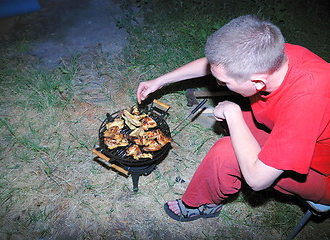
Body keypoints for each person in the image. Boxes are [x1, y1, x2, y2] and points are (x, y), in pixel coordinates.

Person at [136, 15, 330, 222]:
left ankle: (201, 204)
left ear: (257, 82)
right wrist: (161, 81)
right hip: (297, 133)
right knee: (240, 124)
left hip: (322, 173)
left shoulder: (307, 101)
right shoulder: (273, 54)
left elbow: (257, 180)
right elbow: (219, 64)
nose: (219, 84)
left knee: (226, 153)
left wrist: (234, 113)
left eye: (224, 83)